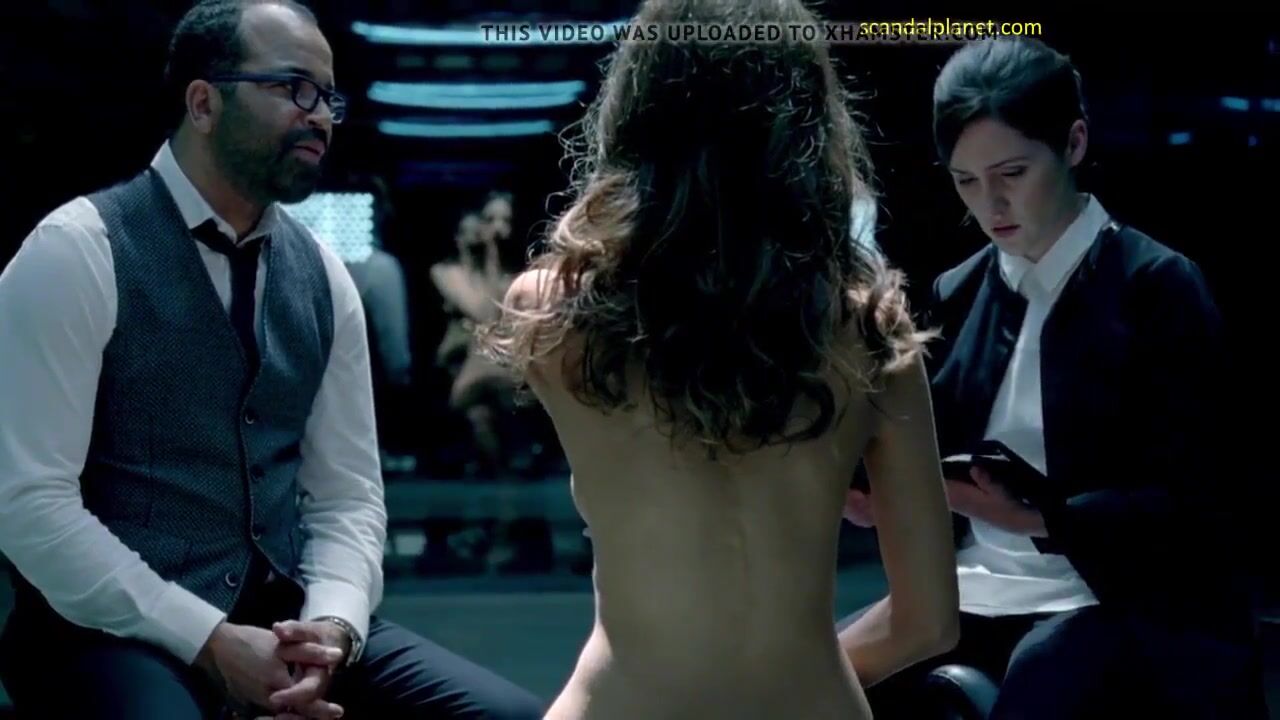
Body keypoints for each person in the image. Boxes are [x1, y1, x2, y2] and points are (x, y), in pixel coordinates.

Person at [0, 1, 543, 718]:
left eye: (329, 98)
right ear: (203, 103)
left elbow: (348, 496)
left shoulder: (326, 277)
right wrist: (209, 640)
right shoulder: (75, 251)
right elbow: (28, 505)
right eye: (294, 88)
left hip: (286, 616)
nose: (320, 116)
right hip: (106, 629)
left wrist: (333, 628)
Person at [480, 0, 959, 717]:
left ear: (633, 115)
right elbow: (928, 622)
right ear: (809, 127)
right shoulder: (871, 330)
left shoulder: (552, 310)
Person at [839, 36, 1266, 719]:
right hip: (970, 592)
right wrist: (880, 494)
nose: (991, 204)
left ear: (1073, 143)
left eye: (1012, 173)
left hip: (1116, 598)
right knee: (812, 675)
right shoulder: (957, 290)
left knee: (1048, 677)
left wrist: (1041, 518)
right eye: (966, 181)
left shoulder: (1156, 286)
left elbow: (1205, 500)